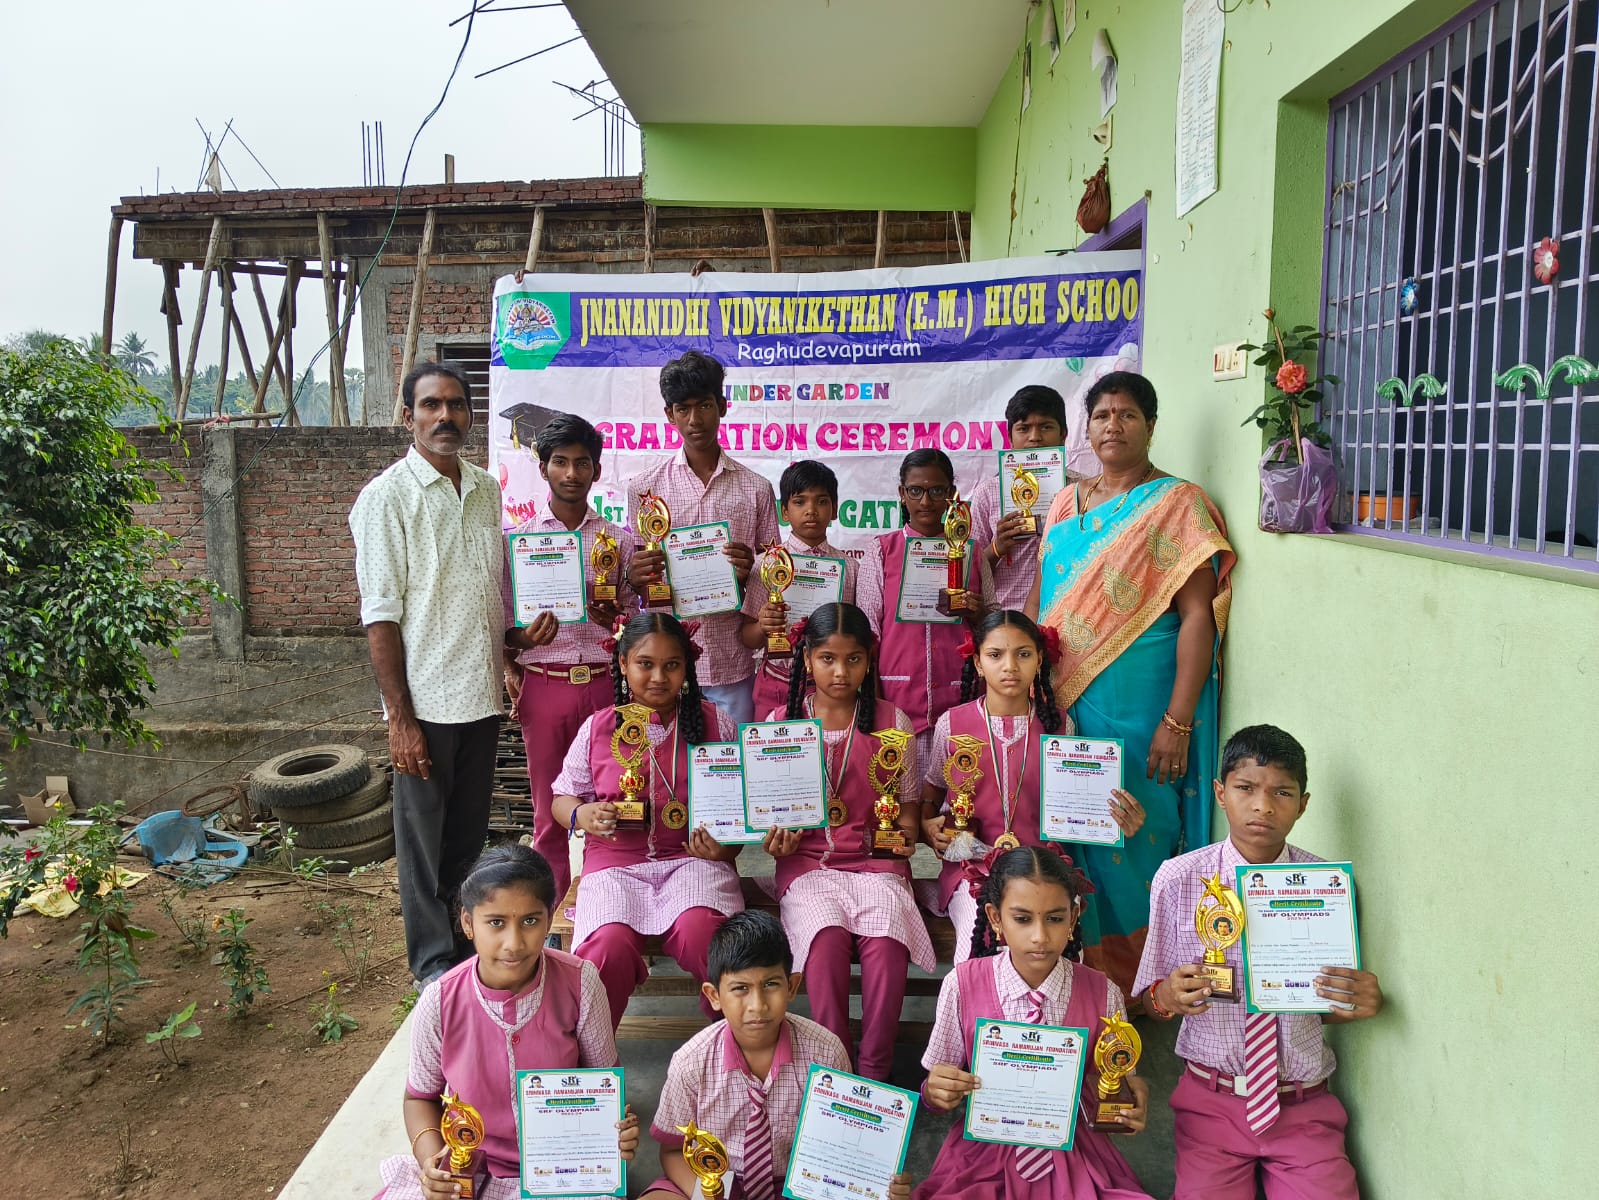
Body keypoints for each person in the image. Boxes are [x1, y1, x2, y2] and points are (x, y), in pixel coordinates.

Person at [1026, 370, 1235, 997]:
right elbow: (1048, 609)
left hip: (1146, 703)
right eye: (1102, 416)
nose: (1113, 426)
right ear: (1086, 428)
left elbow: (1197, 615)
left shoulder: (1179, 504)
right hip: (1070, 699)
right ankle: (1085, 981)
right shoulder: (1064, 504)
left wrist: (1178, 720)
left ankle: (1145, 985)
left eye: (1127, 415)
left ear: (1149, 425)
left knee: (1141, 830)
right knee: (1076, 827)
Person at [1133, 725, 1383, 1200]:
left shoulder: (1326, 885)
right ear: (1220, 793)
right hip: (1211, 1103)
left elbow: (1333, 995)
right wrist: (1166, 996)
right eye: (1246, 788)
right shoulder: (1179, 878)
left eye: (1282, 793)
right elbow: (1149, 1002)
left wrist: (1359, 998)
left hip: (1304, 1104)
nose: (1263, 806)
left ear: (1303, 804)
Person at [350, 361, 506, 987]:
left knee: (466, 840)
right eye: (431, 406)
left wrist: (514, 642)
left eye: (456, 405)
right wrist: (400, 719)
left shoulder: (486, 488)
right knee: (421, 848)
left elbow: (477, 593)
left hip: (481, 696)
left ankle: (465, 951)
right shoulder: (386, 498)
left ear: (471, 413)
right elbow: (380, 617)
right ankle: (433, 967)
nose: (445, 417)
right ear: (408, 414)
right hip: (427, 705)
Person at [375, 843, 639, 1200]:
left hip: (564, 1169)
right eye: (496, 922)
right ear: (468, 923)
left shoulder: (580, 981)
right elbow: (419, 1098)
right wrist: (432, 1163)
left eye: (530, 920)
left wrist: (617, 1129)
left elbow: (604, 1083)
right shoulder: (439, 1000)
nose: (514, 943)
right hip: (469, 1172)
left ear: (549, 917)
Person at [916, 845, 1153, 1200]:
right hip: (986, 1149)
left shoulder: (1103, 993)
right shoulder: (962, 985)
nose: (1040, 936)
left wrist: (1126, 1101)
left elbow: (1117, 1080)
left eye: (1055, 918)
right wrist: (934, 1091)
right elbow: (935, 1091)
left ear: (1073, 919)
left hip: (1075, 1146)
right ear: (996, 919)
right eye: (1022, 919)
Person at [762, 603, 933, 1081]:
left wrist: (903, 831)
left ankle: (874, 1073)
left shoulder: (892, 722)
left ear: (870, 659)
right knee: (826, 937)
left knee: (887, 936)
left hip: (877, 865)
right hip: (808, 867)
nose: (840, 672)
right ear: (807, 658)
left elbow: (908, 810)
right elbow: (767, 820)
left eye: (853, 659)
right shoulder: (781, 724)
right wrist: (776, 841)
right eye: (827, 659)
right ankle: (832, 1071)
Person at [550, 612, 744, 1027]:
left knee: (705, 938)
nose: (659, 676)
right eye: (645, 664)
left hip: (693, 862)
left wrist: (726, 847)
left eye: (671, 665)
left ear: (686, 668)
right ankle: (593, 1061)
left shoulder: (716, 723)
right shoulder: (597, 728)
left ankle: (726, 1042)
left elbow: (738, 810)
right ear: (622, 664)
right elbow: (562, 797)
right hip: (615, 864)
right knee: (605, 949)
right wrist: (582, 814)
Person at [920, 610, 1146, 962]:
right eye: (995, 655)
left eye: (1023, 654)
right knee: (976, 951)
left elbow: (1081, 804)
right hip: (973, 870)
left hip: (1044, 869)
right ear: (977, 662)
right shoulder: (953, 724)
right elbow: (931, 796)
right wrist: (927, 826)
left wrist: (1116, 819)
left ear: (1039, 659)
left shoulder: (1059, 725)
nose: (1010, 666)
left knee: (1062, 953)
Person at [641, 911, 912, 1200]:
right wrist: (709, 1196)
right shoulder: (692, 1062)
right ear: (714, 995)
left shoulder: (826, 1053)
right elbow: (672, 1150)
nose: (757, 1006)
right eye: (740, 989)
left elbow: (846, 1151)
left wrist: (881, 1183)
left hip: (800, 1183)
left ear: (792, 986)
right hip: (714, 1179)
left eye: (771, 984)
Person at [502, 413, 635, 905]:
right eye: (560, 462)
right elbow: (504, 629)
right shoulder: (518, 542)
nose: (572, 473)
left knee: (614, 803)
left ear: (597, 472)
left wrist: (612, 621)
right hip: (546, 684)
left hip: (605, 685)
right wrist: (523, 638)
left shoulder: (617, 540)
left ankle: (611, 909)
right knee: (548, 813)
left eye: (583, 463)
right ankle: (550, 922)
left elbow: (632, 622)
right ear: (543, 469)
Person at [626, 351, 781, 724]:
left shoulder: (756, 489)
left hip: (732, 662)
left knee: (731, 771)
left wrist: (751, 573)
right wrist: (635, 575)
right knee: (668, 772)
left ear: (723, 407)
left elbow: (775, 572)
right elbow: (637, 586)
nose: (694, 420)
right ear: (669, 414)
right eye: (683, 408)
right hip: (664, 667)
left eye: (705, 406)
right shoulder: (644, 489)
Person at [855, 448, 982, 764]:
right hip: (897, 700)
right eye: (916, 490)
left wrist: (976, 610)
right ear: (902, 494)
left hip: (960, 698)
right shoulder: (882, 550)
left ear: (951, 493)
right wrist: (873, 704)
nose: (926, 501)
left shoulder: (971, 551)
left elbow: (992, 626)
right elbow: (868, 632)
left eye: (937, 490)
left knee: (955, 801)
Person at [741, 459, 859, 721]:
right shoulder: (766, 563)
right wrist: (763, 625)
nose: (811, 510)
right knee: (773, 755)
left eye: (821, 501)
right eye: (800, 502)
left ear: (835, 509)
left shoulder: (850, 568)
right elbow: (747, 637)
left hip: (831, 686)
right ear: (784, 512)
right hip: (776, 682)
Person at [970, 386, 1083, 614]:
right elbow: (968, 574)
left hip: (1070, 619)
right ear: (1010, 437)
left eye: (1046, 427)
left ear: (1064, 434)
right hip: (1006, 621)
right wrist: (996, 548)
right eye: (1024, 428)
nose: (1035, 437)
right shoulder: (987, 494)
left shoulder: (1085, 490)